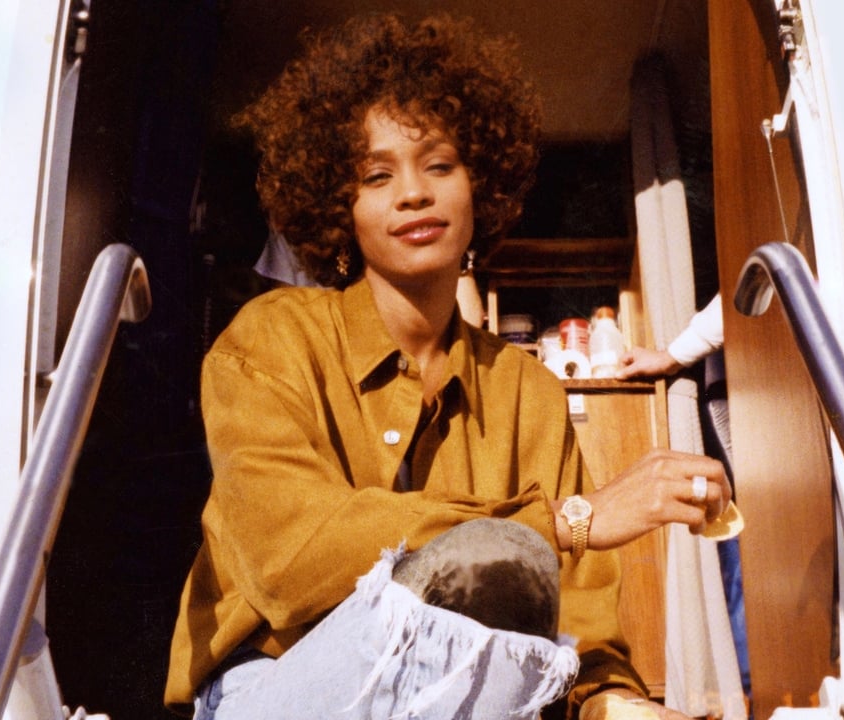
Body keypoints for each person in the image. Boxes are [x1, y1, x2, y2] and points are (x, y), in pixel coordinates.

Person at [164, 13, 730, 720]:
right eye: (377, 176)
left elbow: (579, 621)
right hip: (280, 681)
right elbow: (293, 558)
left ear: (478, 188)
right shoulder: (269, 340)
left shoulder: (528, 391)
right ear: (341, 206)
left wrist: (614, 700)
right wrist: (563, 522)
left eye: (439, 165)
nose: (413, 193)